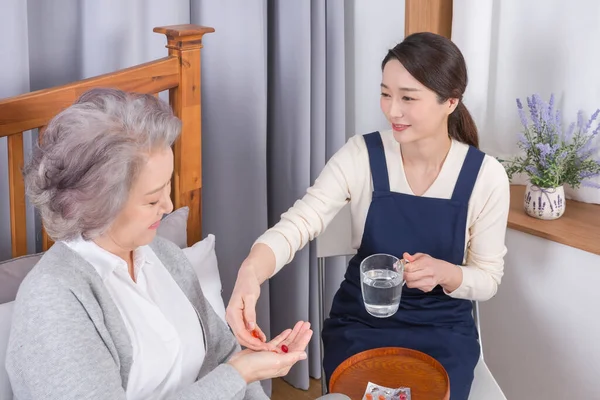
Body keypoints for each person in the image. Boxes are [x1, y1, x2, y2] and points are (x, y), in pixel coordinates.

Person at [5, 88, 349, 400]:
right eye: (153, 199)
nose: (168, 207)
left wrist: (248, 370)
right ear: (98, 205)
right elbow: (232, 372)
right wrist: (239, 373)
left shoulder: (162, 256)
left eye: (168, 188)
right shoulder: (53, 301)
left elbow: (224, 355)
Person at [225, 32, 510, 400]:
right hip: (361, 322)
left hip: (443, 329)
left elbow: (488, 279)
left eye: (408, 97)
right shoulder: (361, 155)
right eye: (386, 93)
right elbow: (299, 222)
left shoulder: (485, 177)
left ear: (450, 101)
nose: (392, 110)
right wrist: (250, 273)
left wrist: (447, 273)